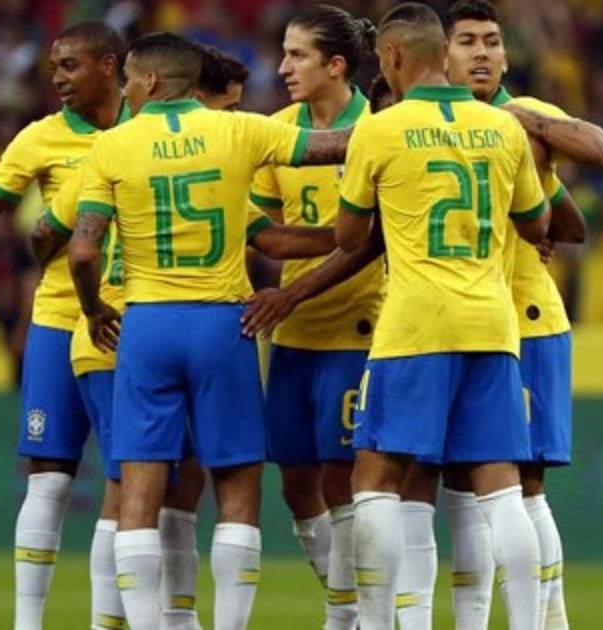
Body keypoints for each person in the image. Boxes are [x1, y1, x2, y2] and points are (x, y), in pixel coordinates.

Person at [32, 43, 337, 629]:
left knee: (138, 490)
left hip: (146, 325)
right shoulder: (240, 130)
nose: (124, 90)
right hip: (223, 323)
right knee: (237, 489)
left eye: (128, 80)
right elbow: (335, 145)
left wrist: (93, 309)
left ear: (149, 81)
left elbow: (82, 250)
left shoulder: (113, 145)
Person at [334, 4, 550, 629]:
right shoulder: (502, 127)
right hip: (492, 323)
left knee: (376, 476)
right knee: (502, 487)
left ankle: (378, 623)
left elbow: (348, 237)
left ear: (395, 56)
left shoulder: (380, 129)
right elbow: (536, 222)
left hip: (415, 325)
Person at [0, 22, 128, 630]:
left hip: (131, 320)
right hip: (58, 317)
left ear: (110, 65)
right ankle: (28, 624)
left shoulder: (145, 129)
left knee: (126, 482)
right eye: (54, 68)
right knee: (47, 480)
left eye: (71, 65)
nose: (58, 78)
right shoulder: (40, 137)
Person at [246, 7, 380, 628]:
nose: (282, 67)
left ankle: (345, 616)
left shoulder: (378, 129)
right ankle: (350, 602)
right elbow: (267, 234)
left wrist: (295, 289)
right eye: (284, 52)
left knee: (342, 478)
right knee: (296, 484)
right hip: (293, 331)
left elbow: (374, 243)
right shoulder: (276, 134)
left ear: (336, 65)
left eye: (297, 55)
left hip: (359, 327)